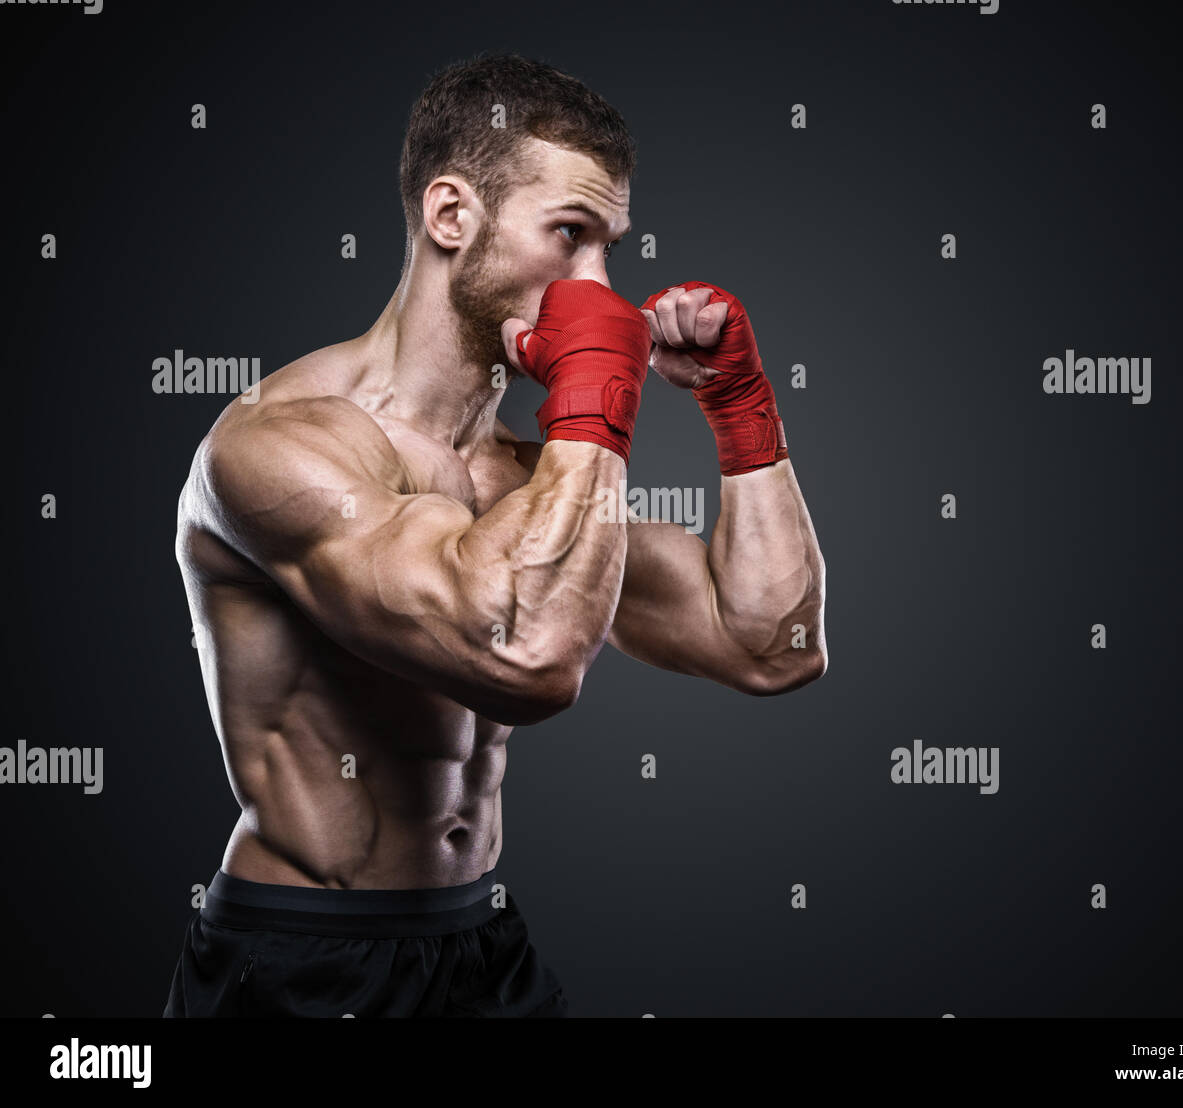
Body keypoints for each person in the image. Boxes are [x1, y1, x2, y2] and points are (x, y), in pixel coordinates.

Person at [164, 51, 827, 1018]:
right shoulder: (280, 448)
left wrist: (742, 412)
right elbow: (524, 652)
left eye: (609, 247)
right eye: (569, 234)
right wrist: (598, 387)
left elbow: (773, 644)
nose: (599, 284)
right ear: (450, 217)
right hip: (306, 955)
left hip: (481, 942)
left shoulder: (524, 471)